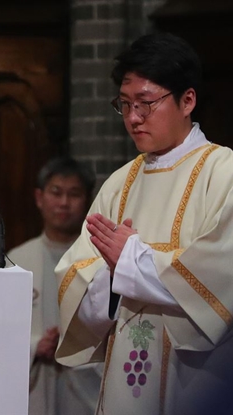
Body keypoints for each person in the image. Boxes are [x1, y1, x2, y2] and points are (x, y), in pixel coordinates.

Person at [55, 32, 233, 415]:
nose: (133, 118)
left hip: (200, 383)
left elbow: (223, 279)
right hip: (127, 381)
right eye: (124, 105)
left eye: (146, 104)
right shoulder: (119, 184)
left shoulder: (223, 173)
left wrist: (132, 260)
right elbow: (77, 281)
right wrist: (109, 274)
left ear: (188, 100)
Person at [8, 157, 100, 415]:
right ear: (39, 197)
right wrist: (36, 346)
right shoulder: (16, 261)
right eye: (56, 193)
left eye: (74, 194)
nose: (64, 203)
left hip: (85, 387)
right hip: (35, 385)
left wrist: (74, 342)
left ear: (88, 201)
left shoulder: (99, 261)